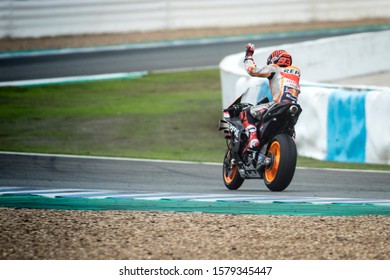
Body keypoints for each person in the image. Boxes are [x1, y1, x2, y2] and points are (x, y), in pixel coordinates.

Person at [240, 43, 301, 153]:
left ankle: (253, 139)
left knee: (246, 112)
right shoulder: (296, 72)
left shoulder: (274, 68)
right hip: (293, 108)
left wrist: (248, 56)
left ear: (274, 59)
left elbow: (252, 70)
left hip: (277, 105)